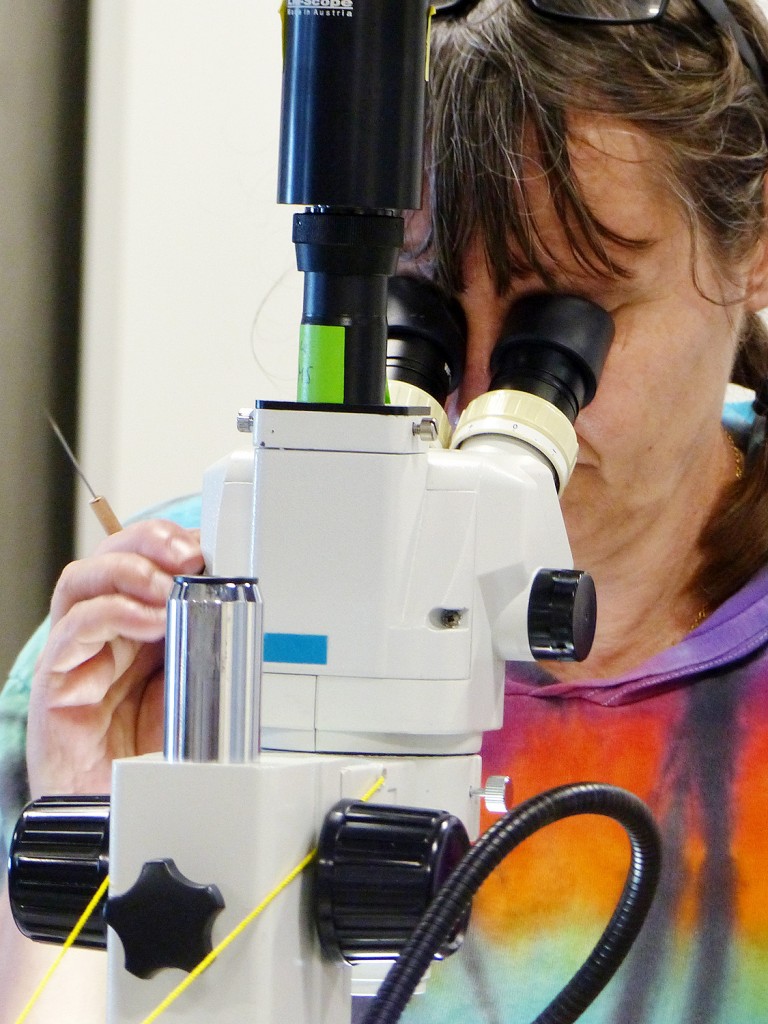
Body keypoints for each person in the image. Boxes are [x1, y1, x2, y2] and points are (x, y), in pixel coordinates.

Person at [3, 0, 768, 1020]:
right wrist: (125, 827)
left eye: (572, 317)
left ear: (753, 242)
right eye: (427, 314)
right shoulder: (182, 637)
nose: (486, 393)